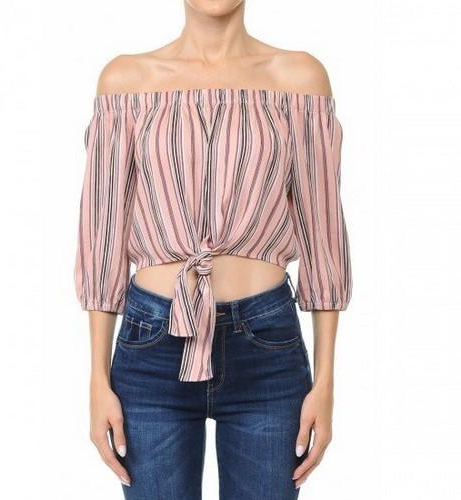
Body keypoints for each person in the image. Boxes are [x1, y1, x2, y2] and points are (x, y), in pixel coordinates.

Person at [73, 1, 352, 498]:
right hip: (152, 343)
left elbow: (324, 234)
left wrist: (326, 381)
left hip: (267, 345)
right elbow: (102, 236)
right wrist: (97, 379)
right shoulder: (126, 82)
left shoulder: (298, 80)